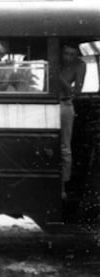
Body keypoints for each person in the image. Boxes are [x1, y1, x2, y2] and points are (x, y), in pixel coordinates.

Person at [59, 42, 86, 198]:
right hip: (52, 103)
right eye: (66, 54)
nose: (68, 58)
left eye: (72, 55)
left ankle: (63, 185)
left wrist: (58, 77)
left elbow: (76, 92)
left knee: (65, 148)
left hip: (65, 103)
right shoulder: (56, 61)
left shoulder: (80, 65)